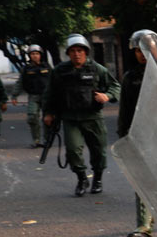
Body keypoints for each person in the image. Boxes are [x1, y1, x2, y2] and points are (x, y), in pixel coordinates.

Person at [42, 34, 120, 196]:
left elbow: (115, 86)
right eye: (73, 51)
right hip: (71, 118)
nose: (77, 54)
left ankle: (97, 179)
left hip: (93, 117)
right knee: (73, 151)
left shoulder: (96, 69)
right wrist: (49, 112)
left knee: (98, 151)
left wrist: (107, 96)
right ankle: (82, 178)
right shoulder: (60, 71)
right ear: (68, 53)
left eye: (80, 50)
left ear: (86, 52)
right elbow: (51, 93)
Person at [117, 29, 157, 237]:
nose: (142, 54)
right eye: (137, 50)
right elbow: (124, 109)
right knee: (142, 179)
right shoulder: (130, 77)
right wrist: (123, 136)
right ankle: (144, 226)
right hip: (140, 136)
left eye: (146, 48)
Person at [10, 45, 52, 146]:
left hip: (46, 97)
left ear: (40, 55)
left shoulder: (47, 67)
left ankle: (47, 140)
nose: (35, 56)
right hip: (33, 96)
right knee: (32, 117)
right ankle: (36, 140)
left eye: (37, 54)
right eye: (33, 54)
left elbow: (54, 81)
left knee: (48, 119)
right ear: (29, 56)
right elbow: (20, 82)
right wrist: (14, 95)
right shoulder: (26, 69)